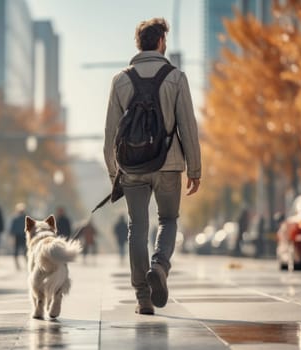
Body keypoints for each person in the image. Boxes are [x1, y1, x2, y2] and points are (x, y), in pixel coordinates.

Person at [104, 18, 201, 315]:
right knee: (168, 220)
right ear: (161, 42)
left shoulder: (120, 80)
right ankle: (160, 265)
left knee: (137, 227)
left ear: (138, 43)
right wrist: (194, 170)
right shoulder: (176, 77)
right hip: (169, 165)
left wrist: (114, 175)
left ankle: (142, 296)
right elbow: (188, 127)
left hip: (131, 167)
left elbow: (110, 136)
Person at [9, 202, 27, 270]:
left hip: (23, 236)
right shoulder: (16, 219)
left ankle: (25, 263)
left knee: (24, 251)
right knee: (19, 250)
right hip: (19, 236)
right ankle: (18, 264)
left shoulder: (24, 218)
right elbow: (12, 228)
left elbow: (12, 229)